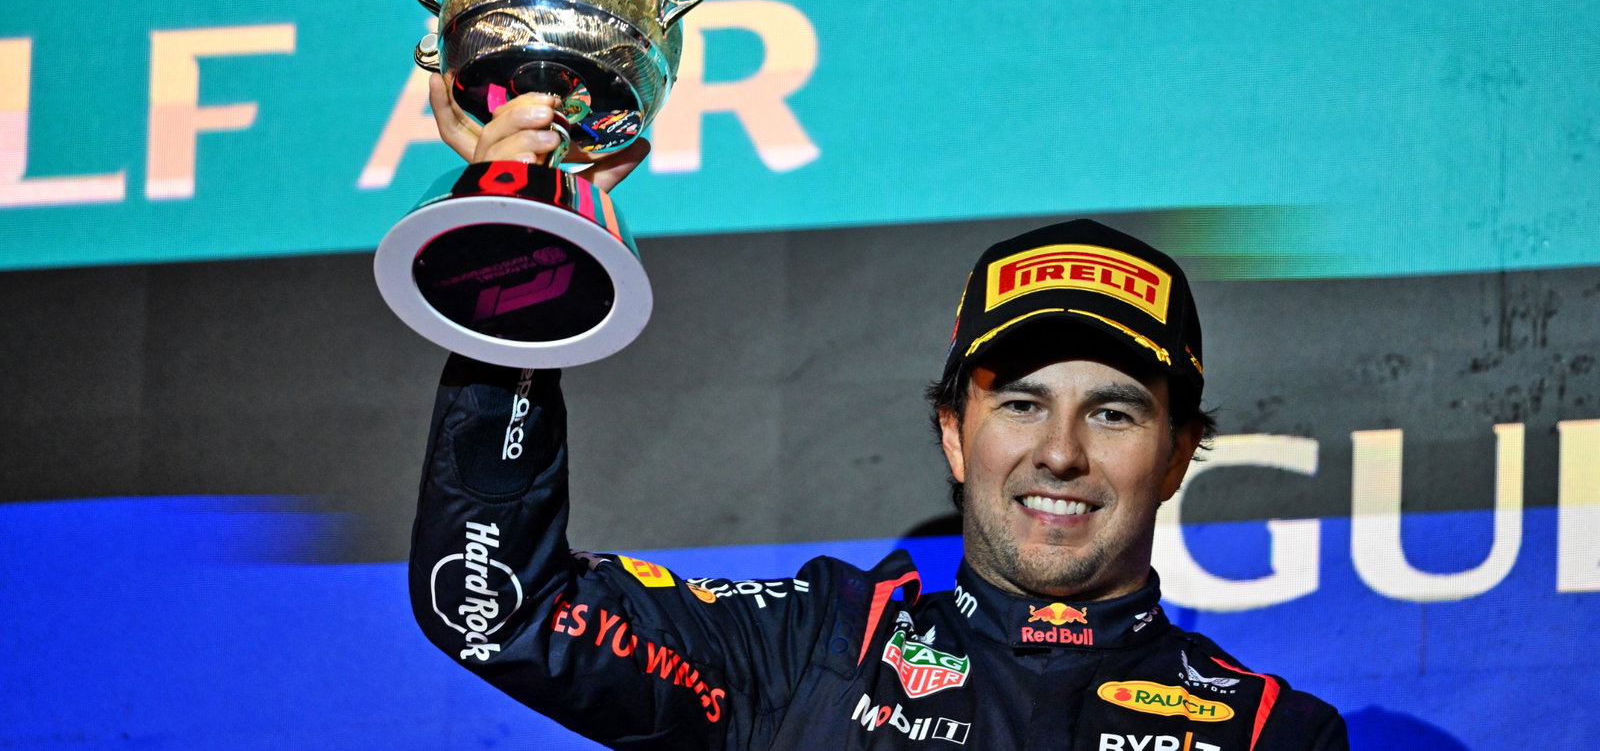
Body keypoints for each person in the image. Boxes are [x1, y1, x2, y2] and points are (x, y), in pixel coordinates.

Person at [409, 86, 1347, 750]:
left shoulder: (1269, 736)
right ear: (952, 432)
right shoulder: (814, 651)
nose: (1059, 453)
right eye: (1020, 404)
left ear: (1182, 452)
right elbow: (501, 610)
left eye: (1112, 414)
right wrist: (520, 268)